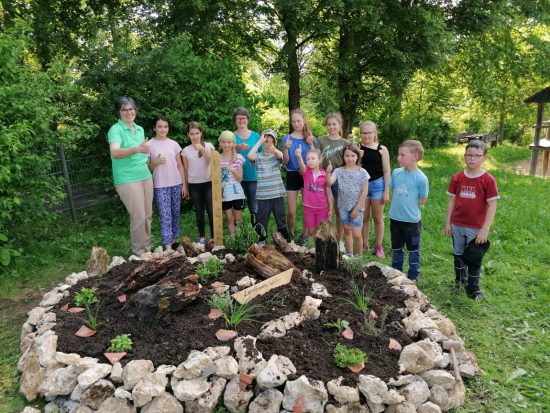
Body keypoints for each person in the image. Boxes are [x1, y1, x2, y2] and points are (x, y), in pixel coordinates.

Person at [445, 140, 499, 299]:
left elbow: (492, 206)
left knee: (475, 257)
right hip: (457, 225)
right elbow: (452, 201)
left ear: (484, 158)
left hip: (476, 228)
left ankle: (473, 288)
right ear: (464, 157)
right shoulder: (457, 178)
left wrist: (485, 230)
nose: (472, 159)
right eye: (469, 155)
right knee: (458, 254)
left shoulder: (488, 180)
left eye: (477, 156)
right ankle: (459, 282)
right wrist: (448, 222)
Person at [108, 96, 153, 257]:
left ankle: (147, 250)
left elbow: (142, 150)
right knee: (138, 216)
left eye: (131, 108)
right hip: (127, 178)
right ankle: (138, 253)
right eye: (124, 109)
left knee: (147, 214)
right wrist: (138, 149)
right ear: (119, 112)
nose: (129, 112)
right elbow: (115, 152)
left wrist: (145, 152)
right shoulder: (116, 130)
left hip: (145, 175)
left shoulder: (139, 129)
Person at [388, 140, 429, 281]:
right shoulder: (396, 172)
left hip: (411, 221)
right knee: (396, 248)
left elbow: (423, 199)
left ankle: (413, 276)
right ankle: (396, 274)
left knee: (413, 250)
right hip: (395, 218)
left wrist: (409, 202)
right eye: (398, 154)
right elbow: (393, 190)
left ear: (415, 157)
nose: (398, 158)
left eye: (402, 155)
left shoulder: (421, 179)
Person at [147, 116, 185, 251]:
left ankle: (174, 241)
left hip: (176, 183)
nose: (163, 129)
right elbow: (148, 169)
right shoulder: (149, 145)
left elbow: (180, 166)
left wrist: (184, 184)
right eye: (160, 126)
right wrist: (155, 162)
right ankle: (167, 245)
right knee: (165, 215)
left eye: (165, 127)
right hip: (160, 185)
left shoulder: (174, 144)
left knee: (175, 213)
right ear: (154, 128)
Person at [281, 108, 318, 245]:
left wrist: (311, 144)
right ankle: (290, 234)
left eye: (299, 121)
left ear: (304, 121)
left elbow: (315, 159)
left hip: (306, 175)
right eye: (293, 121)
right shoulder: (287, 138)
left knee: (307, 207)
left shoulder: (310, 138)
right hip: (291, 174)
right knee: (291, 211)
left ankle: (304, 234)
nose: (296, 124)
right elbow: (285, 161)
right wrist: (285, 148)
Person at [247, 129, 290, 243]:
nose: (268, 144)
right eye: (266, 141)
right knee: (262, 222)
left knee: (281, 220)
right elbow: (250, 156)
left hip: (277, 194)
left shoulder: (275, 157)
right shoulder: (259, 156)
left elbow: (281, 156)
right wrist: (260, 142)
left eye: (271, 142)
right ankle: (262, 242)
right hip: (263, 196)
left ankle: (286, 241)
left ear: (275, 143)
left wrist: (274, 149)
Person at [328, 143, 369, 257]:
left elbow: (364, 192)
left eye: (352, 156)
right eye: (347, 156)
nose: (350, 158)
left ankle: (359, 256)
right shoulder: (338, 171)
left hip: (357, 207)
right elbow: (329, 183)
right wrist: (327, 172)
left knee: (356, 234)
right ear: (343, 157)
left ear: (357, 157)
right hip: (343, 206)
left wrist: (356, 209)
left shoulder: (362, 172)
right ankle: (350, 254)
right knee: (346, 230)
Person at [318, 112, 349, 251]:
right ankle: (325, 238)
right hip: (324, 177)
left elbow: (350, 160)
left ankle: (339, 240)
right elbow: (317, 158)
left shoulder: (345, 143)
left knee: (339, 211)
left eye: (334, 124)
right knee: (324, 210)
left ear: (339, 125)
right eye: (329, 124)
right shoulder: (321, 140)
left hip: (339, 179)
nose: (331, 127)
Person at [360, 121, 391, 258]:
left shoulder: (381, 149)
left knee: (377, 218)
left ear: (375, 133)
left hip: (378, 186)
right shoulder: (357, 148)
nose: (366, 135)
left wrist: (386, 190)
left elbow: (386, 171)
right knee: (364, 218)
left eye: (369, 132)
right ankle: (364, 244)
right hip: (363, 187)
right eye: (363, 132)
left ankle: (379, 246)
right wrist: (359, 157)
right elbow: (355, 168)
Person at [181, 121, 214, 244]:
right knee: (199, 212)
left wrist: (202, 149)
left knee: (211, 211)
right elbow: (185, 170)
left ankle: (213, 237)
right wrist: (185, 186)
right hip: (194, 185)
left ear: (201, 133)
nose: (195, 136)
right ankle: (202, 236)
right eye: (191, 134)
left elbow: (211, 162)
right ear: (188, 135)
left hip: (208, 183)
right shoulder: (185, 151)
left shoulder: (209, 146)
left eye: (197, 133)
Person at [296, 147, 332, 246]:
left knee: (320, 231)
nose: (310, 161)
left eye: (313, 158)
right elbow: (302, 167)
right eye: (308, 159)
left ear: (320, 160)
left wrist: (331, 208)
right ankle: (311, 248)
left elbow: (329, 191)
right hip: (308, 207)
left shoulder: (325, 175)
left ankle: (318, 249)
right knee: (311, 231)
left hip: (322, 208)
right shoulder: (306, 172)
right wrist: (299, 157)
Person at [233, 107, 262, 225]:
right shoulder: (231, 135)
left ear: (248, 119)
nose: (241, 120)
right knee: (238, 208)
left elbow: (262, 153)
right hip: (235, 177)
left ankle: (257, 235)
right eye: (238, 118)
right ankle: (240, 234)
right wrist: (237, 147)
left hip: (253, 177)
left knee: (254, 208)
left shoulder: (255, 136)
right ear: (235, 120)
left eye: (243, 118)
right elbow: (224, 152)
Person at [218, 130, 246, 235]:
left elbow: (240, 179)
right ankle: (233, 241)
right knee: (229, 219)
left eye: (229, 142)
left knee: (238, 219)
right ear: (220, 143)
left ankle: (239, 239)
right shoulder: (218, 158)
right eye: (223, 142)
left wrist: (232, 170)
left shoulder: (238, 158)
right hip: (224, 194)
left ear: (233, 143)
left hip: (237, 193)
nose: (226, 145)